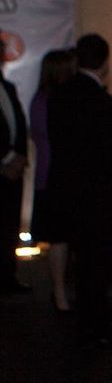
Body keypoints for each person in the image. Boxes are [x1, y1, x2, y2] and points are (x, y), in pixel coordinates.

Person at [46, 34, 112, 345]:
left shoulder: (59, 95)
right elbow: (109, 153)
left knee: (82, 262)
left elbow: (59, 146)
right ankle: (96, 329)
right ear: (106, 62)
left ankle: (90, 321)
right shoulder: (103, 102)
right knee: (97, 264)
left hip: (68, 194)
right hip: (96, 197)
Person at [29, 49, 77, 313]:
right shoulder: (46, 101)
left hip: (58, 176)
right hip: (52, 176)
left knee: (64, 237)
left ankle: (62, 291)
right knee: (58, 238)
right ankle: (59, 293)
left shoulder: (48, 99)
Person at [0, 37, 29, 295]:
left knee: (10, 225)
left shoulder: (7, 87)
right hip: (4, 166)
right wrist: (7, 157)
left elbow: (18, 125)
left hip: (13, 171)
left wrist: (20, 157)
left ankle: (8, 275)